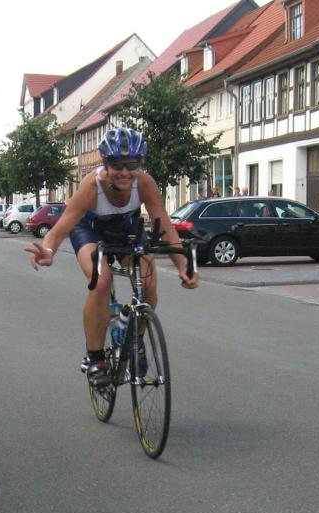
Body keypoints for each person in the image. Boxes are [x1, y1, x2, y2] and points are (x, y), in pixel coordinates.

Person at [25, 126, 199, 387]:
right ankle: (95, 357)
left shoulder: (145, 183)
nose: (125, 171)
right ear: (105, 164)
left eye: (132, 164)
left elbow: (164, 225)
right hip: (89, 231)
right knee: (101, 283)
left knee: (149, 284)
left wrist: (183, 266)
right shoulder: (91, 187)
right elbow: (61, 227)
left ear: (140, 164)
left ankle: (135, 338)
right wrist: (48, 251)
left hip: (127, 229)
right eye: (117, 164)